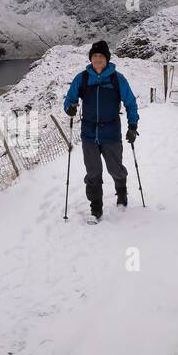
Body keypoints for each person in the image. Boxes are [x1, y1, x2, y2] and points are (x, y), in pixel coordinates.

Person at [62, 40, 139, 221]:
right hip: (89, 134)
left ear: (106, 59)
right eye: (95, 56)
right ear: (90, 58)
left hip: (111, 132)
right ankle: (96, 208)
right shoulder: (82, 78)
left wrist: (132, 126)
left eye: (101, 56)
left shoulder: (117, 79)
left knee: (116, 169)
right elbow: (70, 99)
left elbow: (130, 103)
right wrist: (70, 108)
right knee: (93, 172)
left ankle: (122, 193)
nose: (97, 59)